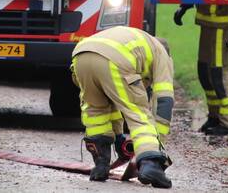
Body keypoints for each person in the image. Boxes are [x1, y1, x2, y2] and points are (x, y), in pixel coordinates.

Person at [71, 26, 175, 188]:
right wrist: (157, 142)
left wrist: (119, 136)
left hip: (81, 56)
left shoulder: (139, 43)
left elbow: (114, 101)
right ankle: (151, 166)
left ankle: (101, 164)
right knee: (139, 114)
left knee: (96, 111)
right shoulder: (162, 53)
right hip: (114, 59)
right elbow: (164, 99)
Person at [174, 2, 228, 136]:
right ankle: (215, 116)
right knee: (205, 73)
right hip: (207, 24)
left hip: (224, 27)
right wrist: (186, 4)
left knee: (220, 73)